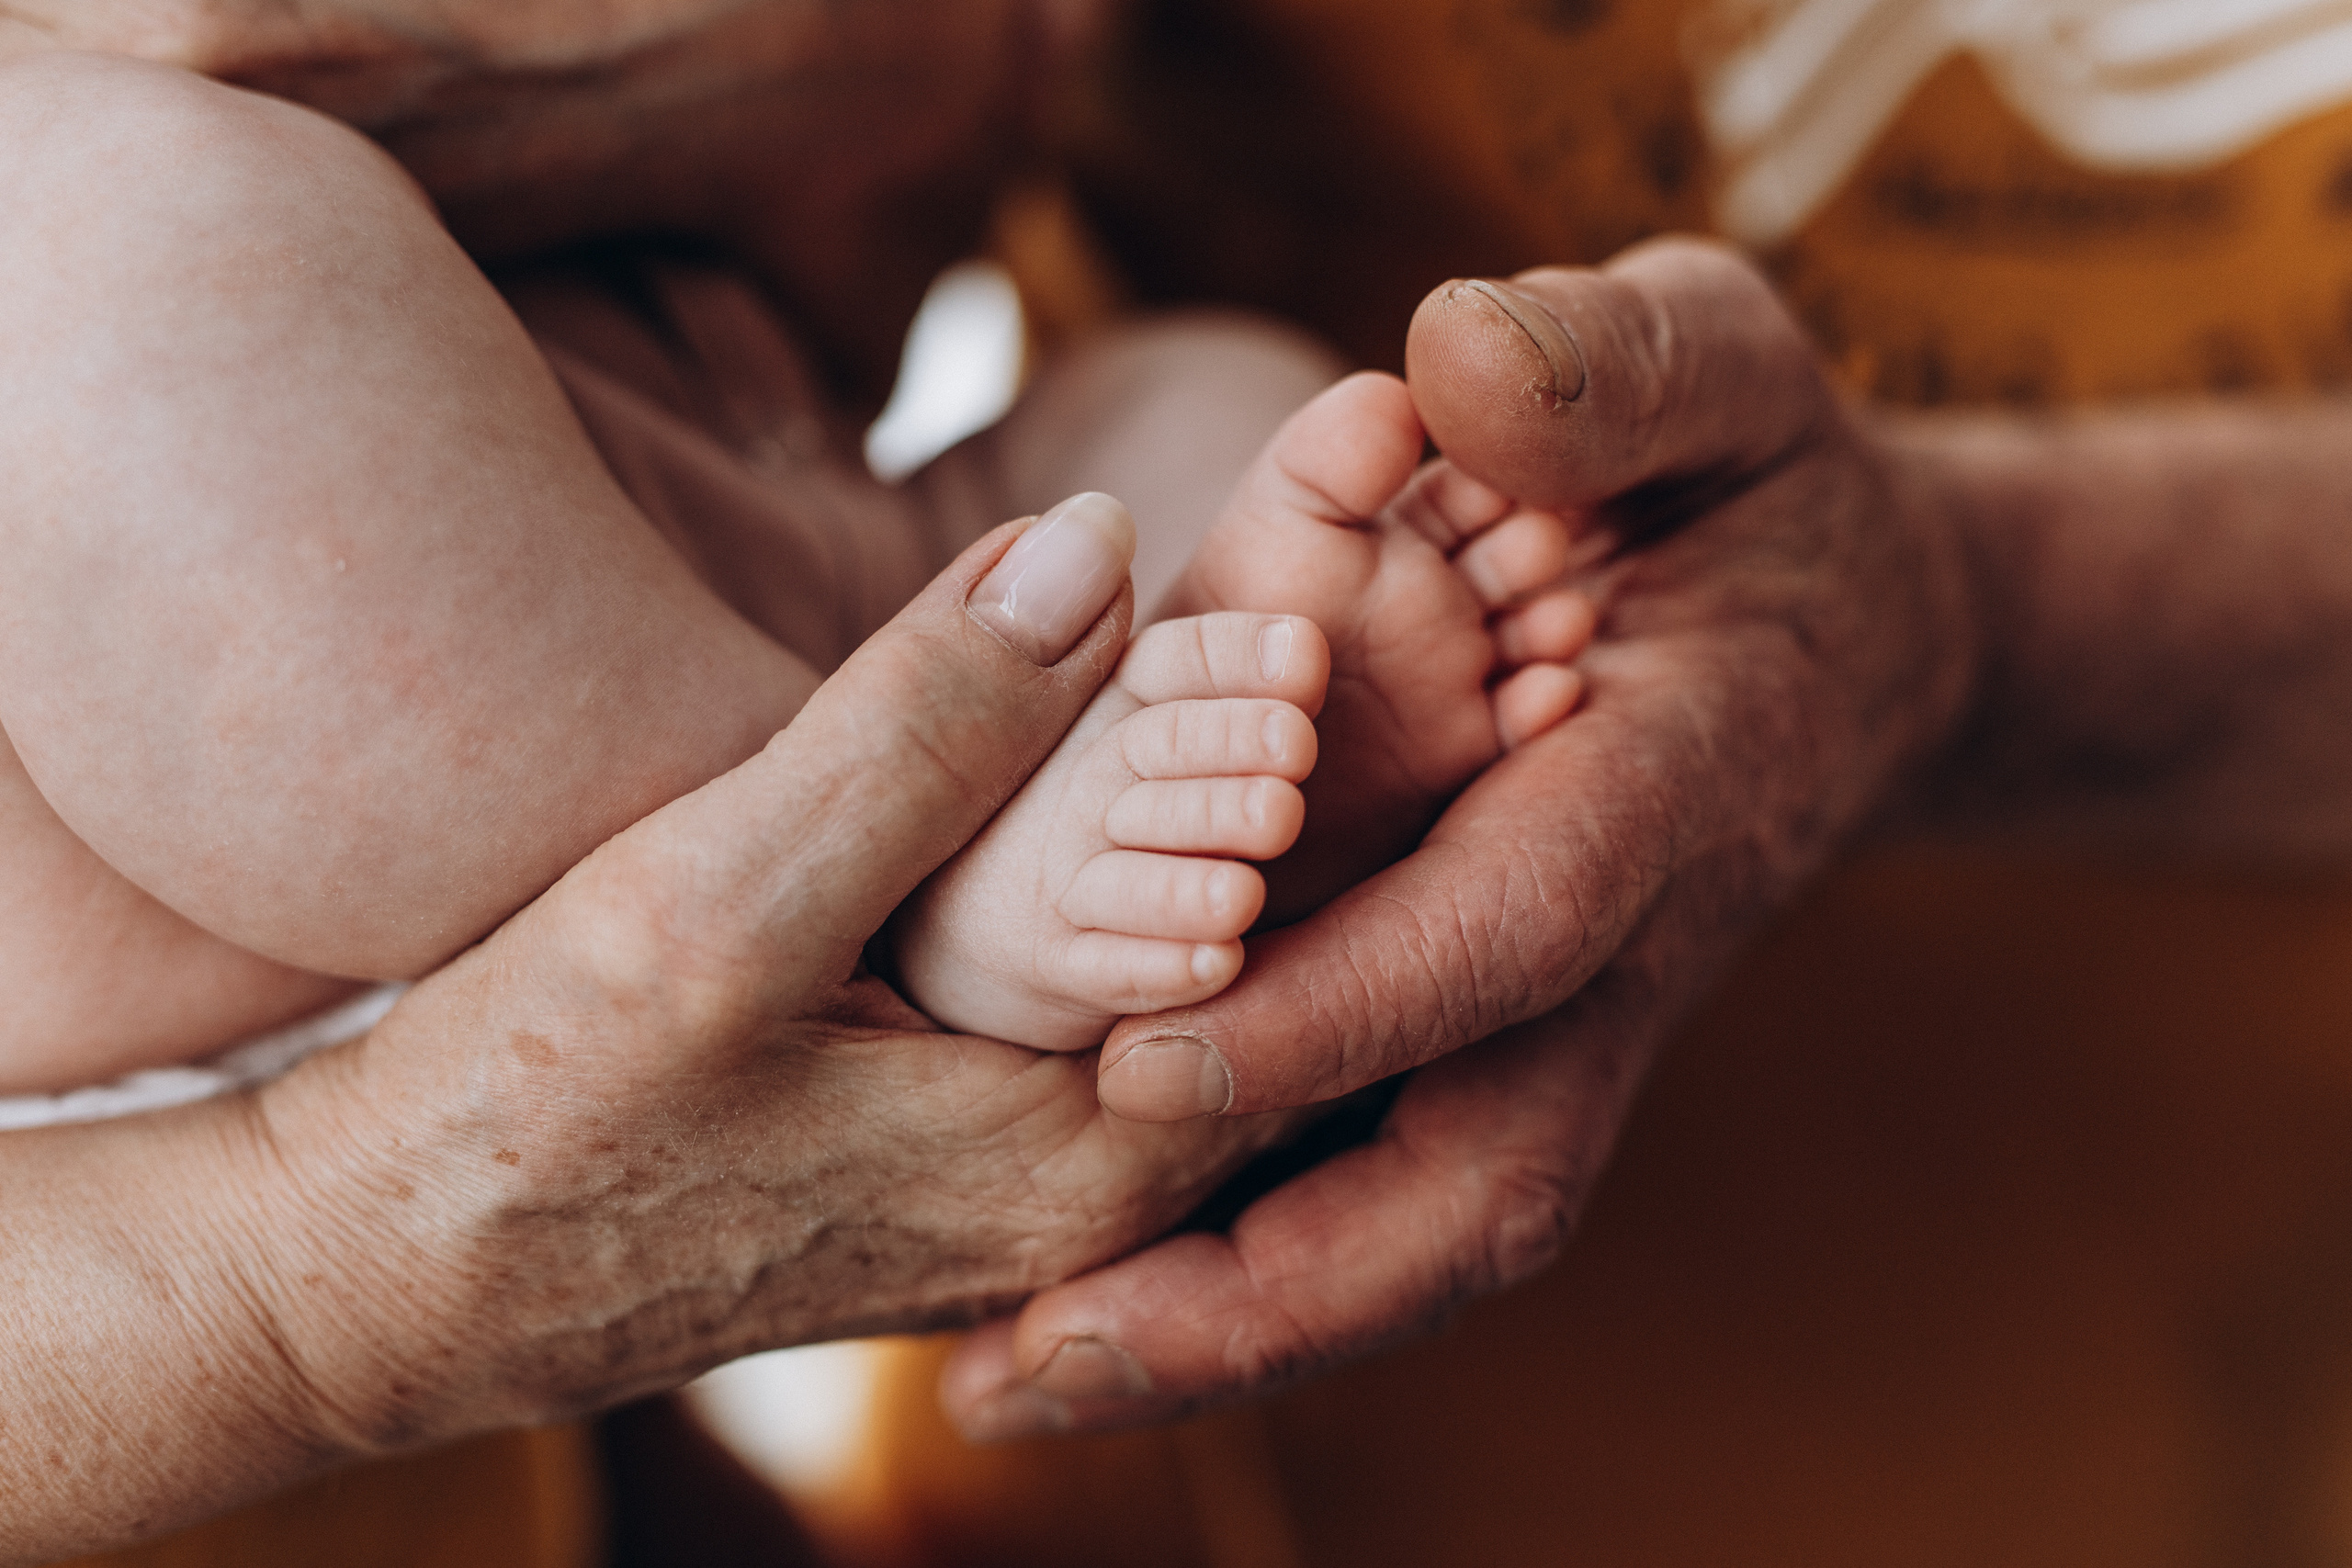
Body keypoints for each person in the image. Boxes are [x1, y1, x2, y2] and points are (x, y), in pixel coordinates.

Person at [0, 52, 1589, 1093]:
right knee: (70, 254)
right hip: (450, 791)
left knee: (1201, 401)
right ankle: (907, 889)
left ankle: (1213, 675)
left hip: (824, 472)